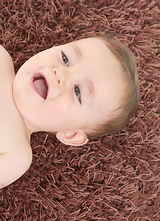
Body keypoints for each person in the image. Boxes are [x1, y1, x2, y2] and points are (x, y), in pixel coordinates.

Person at [0, 34, 139, 188]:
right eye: (65, 59)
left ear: (71, 134)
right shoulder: (2, 58)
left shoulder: (17, 156)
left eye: (77, 92)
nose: (60, 74)